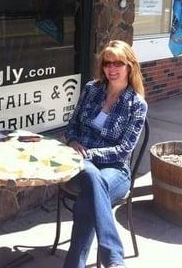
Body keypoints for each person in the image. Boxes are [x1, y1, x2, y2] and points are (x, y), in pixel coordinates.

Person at [63, 40, 147, 268]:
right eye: (107, 63)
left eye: (118, 63)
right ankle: (113, 259)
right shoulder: (92, 89)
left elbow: (124, 151)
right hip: (80, 164)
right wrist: (72, 141)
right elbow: (71, 126)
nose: (111, 68)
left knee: (88, 198)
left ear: (130, 66)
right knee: (90, 178)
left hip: (116, 170)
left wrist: (89, 154)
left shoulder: (136, 104)